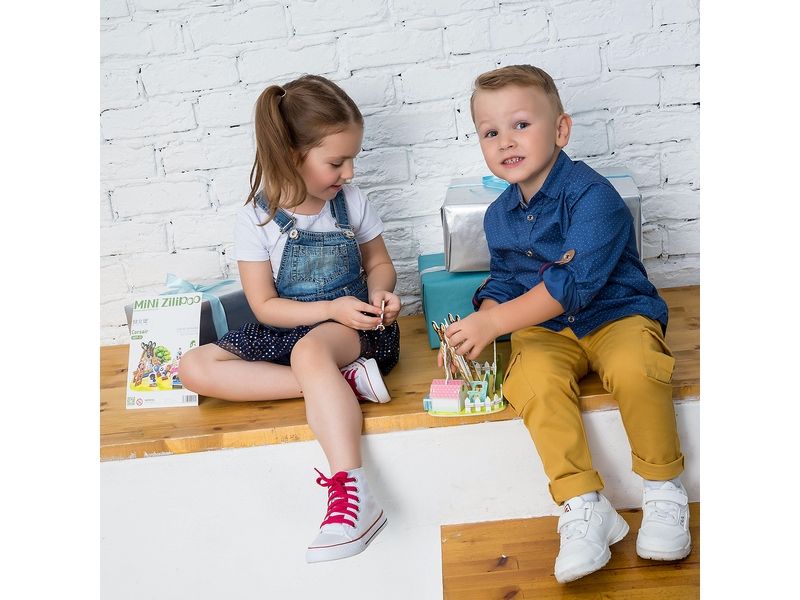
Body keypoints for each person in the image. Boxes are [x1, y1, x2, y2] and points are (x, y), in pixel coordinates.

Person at [444, 65, 691, 583]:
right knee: (530, 379)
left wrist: (498, 322)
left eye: (521, 125)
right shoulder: (498, 215)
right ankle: (584, 504)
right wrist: (483, 320)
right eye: (490, 132)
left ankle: (663, 488)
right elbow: (505, 280)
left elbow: (572, 284)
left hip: (614, 313)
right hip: (549, 332)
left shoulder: (593, 195)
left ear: (561, 130)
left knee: (637, 366)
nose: (505, 141)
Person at [179, 74, 401, 564]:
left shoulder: (351, 203)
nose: (348, 172)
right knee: (193, 367)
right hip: (289, 327)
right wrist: (325, 309)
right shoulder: (256, 218)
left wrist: (381, 293)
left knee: (311, 351)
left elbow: (380, 263)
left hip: (352, 328)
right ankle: (339, 383)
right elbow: (264, 306)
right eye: (336, 162)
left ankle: (353, 492)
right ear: (291, 155)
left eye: (352, 159)